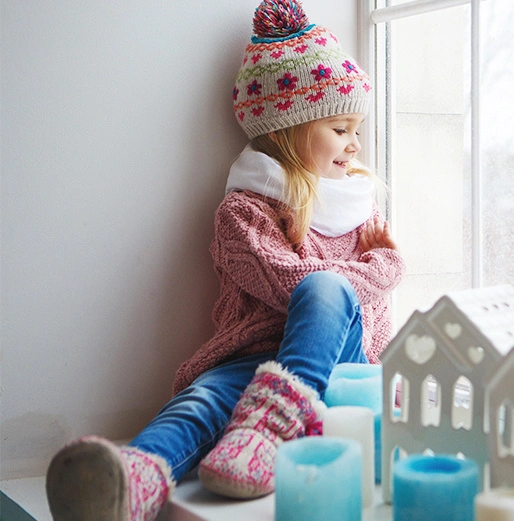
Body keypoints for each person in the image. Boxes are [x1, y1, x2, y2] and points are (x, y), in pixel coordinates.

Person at [44, 1, 405, 519]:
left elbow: (359, 308)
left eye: (355, 128)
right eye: (341, 128)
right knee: (201, 403)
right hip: (251, 361)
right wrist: (381, 268)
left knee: (330, 291)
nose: (355, 143)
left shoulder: (358, 207)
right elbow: (290, 283)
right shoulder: (243, 212)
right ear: (289, 129)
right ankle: (128, 482)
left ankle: (268, 426)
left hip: (334, 370)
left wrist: (379, 292)